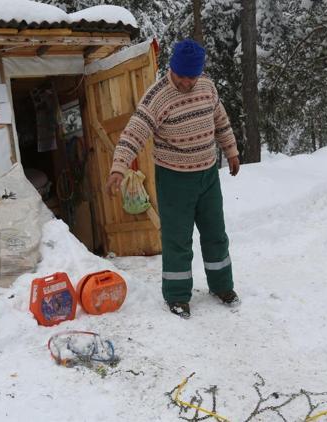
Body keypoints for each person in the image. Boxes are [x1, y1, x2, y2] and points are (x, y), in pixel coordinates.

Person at [105, 39, 240, 319]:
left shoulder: (207, 87)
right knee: (177, 240)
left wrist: (232, 151)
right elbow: (135, 132)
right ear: (172, 68)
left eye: (193, 76)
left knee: (216, 233)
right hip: (174, 179)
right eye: (182, 76)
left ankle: (222, 286)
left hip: (207, 175)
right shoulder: (158, 97)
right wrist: (118, 168)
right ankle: (178, 296)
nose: (187, 82)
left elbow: (220, 120)